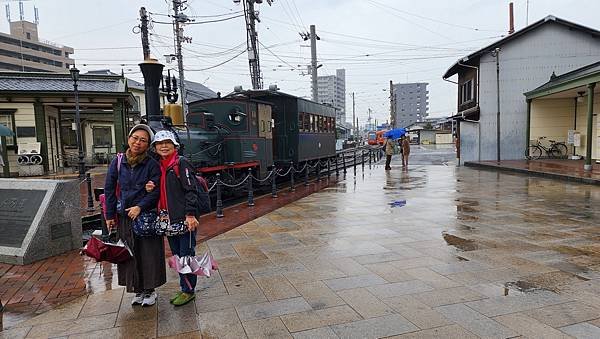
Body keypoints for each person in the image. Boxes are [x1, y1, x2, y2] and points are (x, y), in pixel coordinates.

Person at [104, 124, 165, 307]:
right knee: (130, 253)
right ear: (129, 139)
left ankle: (150, 290)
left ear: (148, 145)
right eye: (135, 138)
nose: (138, 143)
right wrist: (109, 215)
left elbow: (156, 191)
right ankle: (137, 289)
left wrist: (140, 206)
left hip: (145, 216)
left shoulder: (152, 165)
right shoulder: (118, 161)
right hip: (124, 216)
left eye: (143, 140)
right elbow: (109, 188)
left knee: (148, 253)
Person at [148, 130, 200, 307]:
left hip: (184, 218)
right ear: (154, 147)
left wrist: (190, 214)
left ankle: (188, 291)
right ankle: (184, 287)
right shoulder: (159, 166)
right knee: (178, 255)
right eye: (159, 143)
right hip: (167, 218)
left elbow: (191, 190)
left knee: (186, 255)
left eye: (167, 142)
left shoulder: (181, 163)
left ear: (174, 145)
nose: (163, 146)